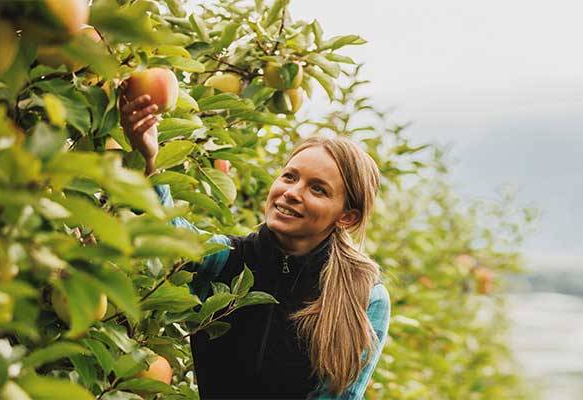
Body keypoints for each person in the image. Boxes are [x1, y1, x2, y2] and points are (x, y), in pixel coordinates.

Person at [119, 93, 391, 399]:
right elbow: (170, 235)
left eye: (317, 189)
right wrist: (149, 159)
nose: (292, 192)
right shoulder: (228, 259)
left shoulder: (363, 295)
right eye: (289, 177)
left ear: (346, 217)